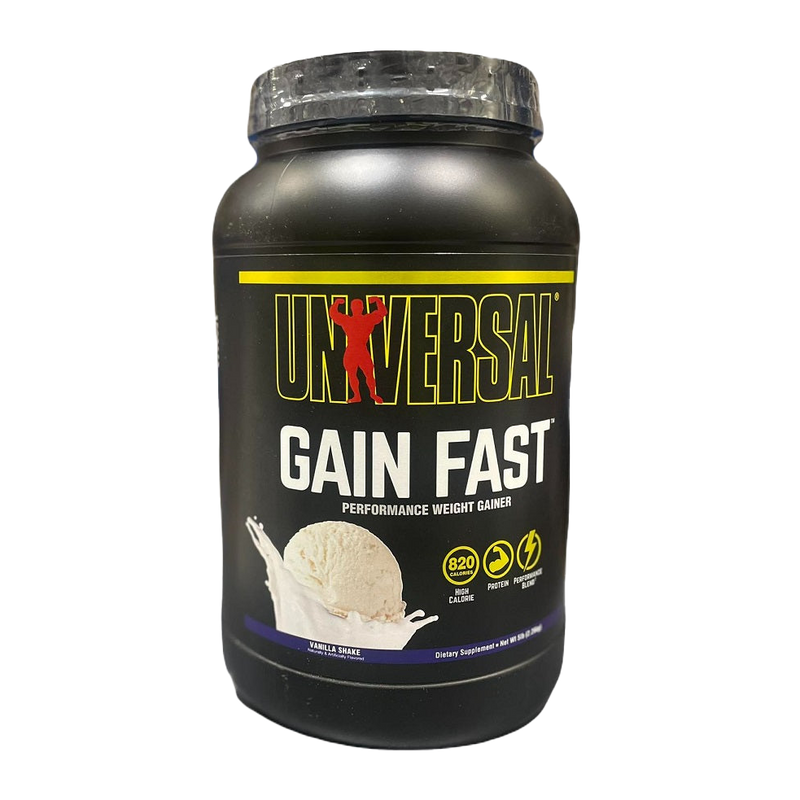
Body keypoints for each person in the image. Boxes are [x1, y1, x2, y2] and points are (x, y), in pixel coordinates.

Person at [329, 296, 388, 404]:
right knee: (356, 374)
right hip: (355, 351)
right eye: (355, 306)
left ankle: (370, 394)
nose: (356, 308)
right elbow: (382, 312)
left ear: (360, 308)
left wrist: (337, 303)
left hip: (357, 350)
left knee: (366, 374)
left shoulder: (354, 320)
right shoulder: (364, 319)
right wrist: (377, 301)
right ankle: (359, 395)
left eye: (358, 306)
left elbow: (333, 314)